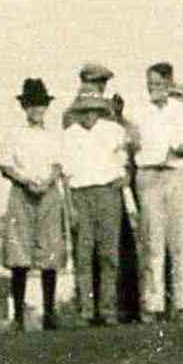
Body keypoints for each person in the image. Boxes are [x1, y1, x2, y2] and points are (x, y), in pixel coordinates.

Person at [0, 77, 71, 329]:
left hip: (48, 192)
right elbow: (5, 165)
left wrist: (47, 182)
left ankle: (49, 313)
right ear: (24, 107)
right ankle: (17, 317)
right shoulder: (14, 133)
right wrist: (26, 181)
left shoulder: (53, 135)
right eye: (32, 105)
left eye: (41, 105)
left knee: (49, 252)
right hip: (22, 192)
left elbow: (59, 164)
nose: (37, 110)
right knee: (19, 254)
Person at [59, 73, 137, 324]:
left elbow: (126, 160)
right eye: (84, 110)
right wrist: (70, 206)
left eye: (93, 109)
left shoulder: (114, 130)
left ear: (100, 110)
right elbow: (65, 175)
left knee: (109, 254)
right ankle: (85, 309)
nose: (89, 115)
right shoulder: (70, 134)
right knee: (83, 254)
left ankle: (107, 309)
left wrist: (124, 176)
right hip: (81, 194)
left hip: (108, 193)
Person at [130, 62, 183, 320]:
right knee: (152, 241)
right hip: (149, 175)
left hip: (175, 174)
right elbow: (134, 143)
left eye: (158, 84)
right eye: (150, 84)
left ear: (169, 85)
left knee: (179, 240)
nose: (153, 89)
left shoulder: (181, 110)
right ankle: (153, 303)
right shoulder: (139, 111)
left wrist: (180, 149)